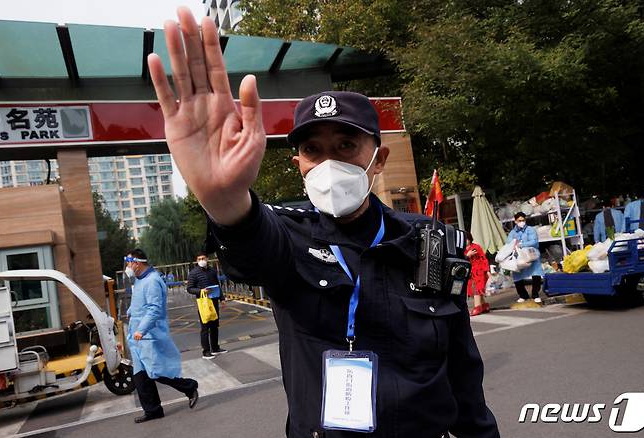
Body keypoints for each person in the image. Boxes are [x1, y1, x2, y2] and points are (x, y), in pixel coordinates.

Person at [147, 8, 499, 437]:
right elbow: (250, 244)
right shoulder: (289, 237)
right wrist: (224, 200)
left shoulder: (432, 241)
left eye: (346, 144)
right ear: (299, 164)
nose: (329, 162)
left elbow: (464, 373)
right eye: (313, 150)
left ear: (378, 159)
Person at [125, 248, 199, 423]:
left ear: (137, 263)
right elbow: (139, 303)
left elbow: (154, 309)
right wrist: (130, 311)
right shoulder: (140, 279)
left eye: (129, 262)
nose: (127, 266)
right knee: (140, 376)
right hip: (137, 335)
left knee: (157, 371)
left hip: (149, 333)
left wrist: (141, 330)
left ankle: (189, 386)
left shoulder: (152, 281)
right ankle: (153, 410)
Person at [187, 252, 228, 359]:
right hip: (203, 303)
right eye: (199, 259)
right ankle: (206, 351)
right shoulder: (193, 273)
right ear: (197, 260)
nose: (201, 260)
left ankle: (215, 348)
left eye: (203, 258)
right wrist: (201, 290)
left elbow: (218, 286)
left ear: (207, 259)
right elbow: (189, 288)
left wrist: (222, 299)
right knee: (205, 327)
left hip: (214, 301)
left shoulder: (212, 271)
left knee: (215, 325)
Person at [507, 212, 544, 303]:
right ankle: (523, 295)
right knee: (517, 275)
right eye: (519, 220)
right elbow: (509, 243)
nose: (522, 222)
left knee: (536, 273)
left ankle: (535, 294)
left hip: (531, 255)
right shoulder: (512, 233)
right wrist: (514, 246)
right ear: (515, 221)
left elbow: (534, 242)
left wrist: (521, 245)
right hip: (519, 257)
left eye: (523, 220)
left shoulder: (530, 230)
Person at [465, 232, 491, 316]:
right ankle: (484, 305)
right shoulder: (461, 249)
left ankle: (477, 307)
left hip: (478, 271)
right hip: (469, 272)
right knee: (473, 289)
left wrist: (487, 270)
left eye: (467, 239)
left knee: (477, 288)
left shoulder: (476, 247)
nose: (466, 241)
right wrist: (467, 255)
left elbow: (483, 259)